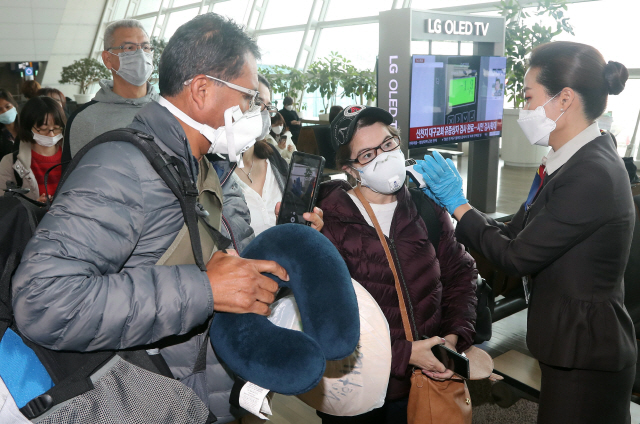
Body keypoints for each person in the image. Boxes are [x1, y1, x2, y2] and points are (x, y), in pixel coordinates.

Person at [11, 13, 289, 424]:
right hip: (148, 399)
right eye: (249, 97)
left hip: (204, 395)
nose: (256, 112)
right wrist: (203, 289)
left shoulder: (206, 166)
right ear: (201, 89)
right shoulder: (121, 168)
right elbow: (43, 300)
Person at [417, 41, 635, 424]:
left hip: (585, 349)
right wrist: (457, 213)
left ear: (564, 99)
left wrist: (459, 204)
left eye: (529, 96)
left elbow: (517, 255)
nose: (524, 108)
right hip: (568, 340)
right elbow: (515, 230)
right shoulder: (569, 160)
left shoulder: (591, 174)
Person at [316, 105, 478, 424]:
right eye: (367, 154)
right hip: (357, 392)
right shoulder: (327, 224)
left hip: (425, 384)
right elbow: (324, 317)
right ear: (351, 169)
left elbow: (461, 275)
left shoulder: (426, 208)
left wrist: (453, 339)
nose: (383, 156)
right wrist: (403, 353)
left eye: (388, 144)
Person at [231, 75, 322, 236]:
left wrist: (309, 230)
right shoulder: (212, 172)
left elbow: (296, 233)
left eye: (268, 106)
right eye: (256, 102)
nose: (264, 112)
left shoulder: (275, 162)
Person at [63, 19, 159, 158]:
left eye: (145, 47)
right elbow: (75, 177)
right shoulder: (85, 119)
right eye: (129, 48)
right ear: (107, 59)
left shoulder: (171, 109)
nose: (141, 55)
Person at [0, 97, 66, 202]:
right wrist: (32, 207)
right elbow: (5, 205)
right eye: (44, 129)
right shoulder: (10, 163)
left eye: (57, 128)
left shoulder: (72, 156)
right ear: (28, 127)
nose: (51, 134)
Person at [0, 89, 20, 160]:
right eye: (0, 110)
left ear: (15, 105)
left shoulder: (28, 127)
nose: (5, 111)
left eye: (8, 107)